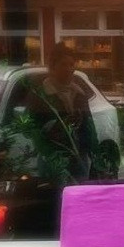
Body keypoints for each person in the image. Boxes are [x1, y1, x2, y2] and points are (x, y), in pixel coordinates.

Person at [27, 41, 97, 184]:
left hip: (79, 160)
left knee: (79, 194)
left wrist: (94, 154)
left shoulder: (79, 94)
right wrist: (52, 156)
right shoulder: (40, 96)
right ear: (52, 67)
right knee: (54, 195)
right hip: (53, 162)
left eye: (71, 64)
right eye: (63, 64)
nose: (69, 69)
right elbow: (34, 130)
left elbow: (88, 126)